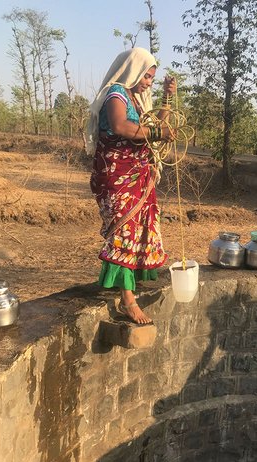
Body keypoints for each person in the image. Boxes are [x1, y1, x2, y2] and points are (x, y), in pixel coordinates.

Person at [86, 47, 176, 324]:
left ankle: (129, 287)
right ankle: (127, 301)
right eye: (147, 77)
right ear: (133, 70)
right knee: (124, 230)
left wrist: (166, 99)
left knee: (138, 230)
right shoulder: (116, 94)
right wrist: (158, 132)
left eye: (151, 78)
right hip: (117, 175)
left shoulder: (138, 100)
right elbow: (121, 127)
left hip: (138, 174)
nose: (148, 82)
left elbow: (156, 128)